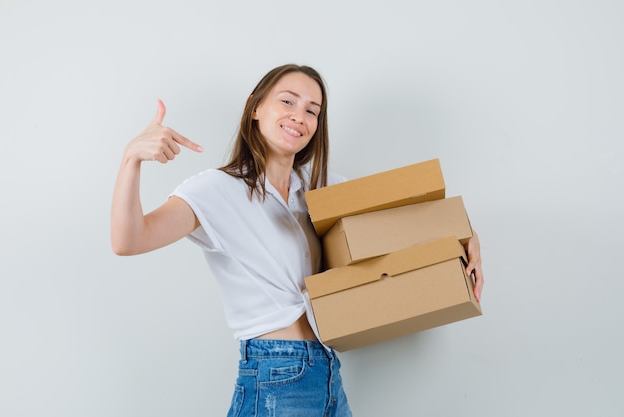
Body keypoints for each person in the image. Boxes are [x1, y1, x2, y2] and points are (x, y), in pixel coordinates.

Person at [111, 64, 484, 417]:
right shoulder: (216, 189)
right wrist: (132, 160)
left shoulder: (321, 187)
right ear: (256, 108)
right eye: (287, 101)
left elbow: (401, 220)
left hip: (326, 368)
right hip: (274, 372)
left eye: (312, 110)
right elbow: (129, 239)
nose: (299, 117)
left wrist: (467, 240)